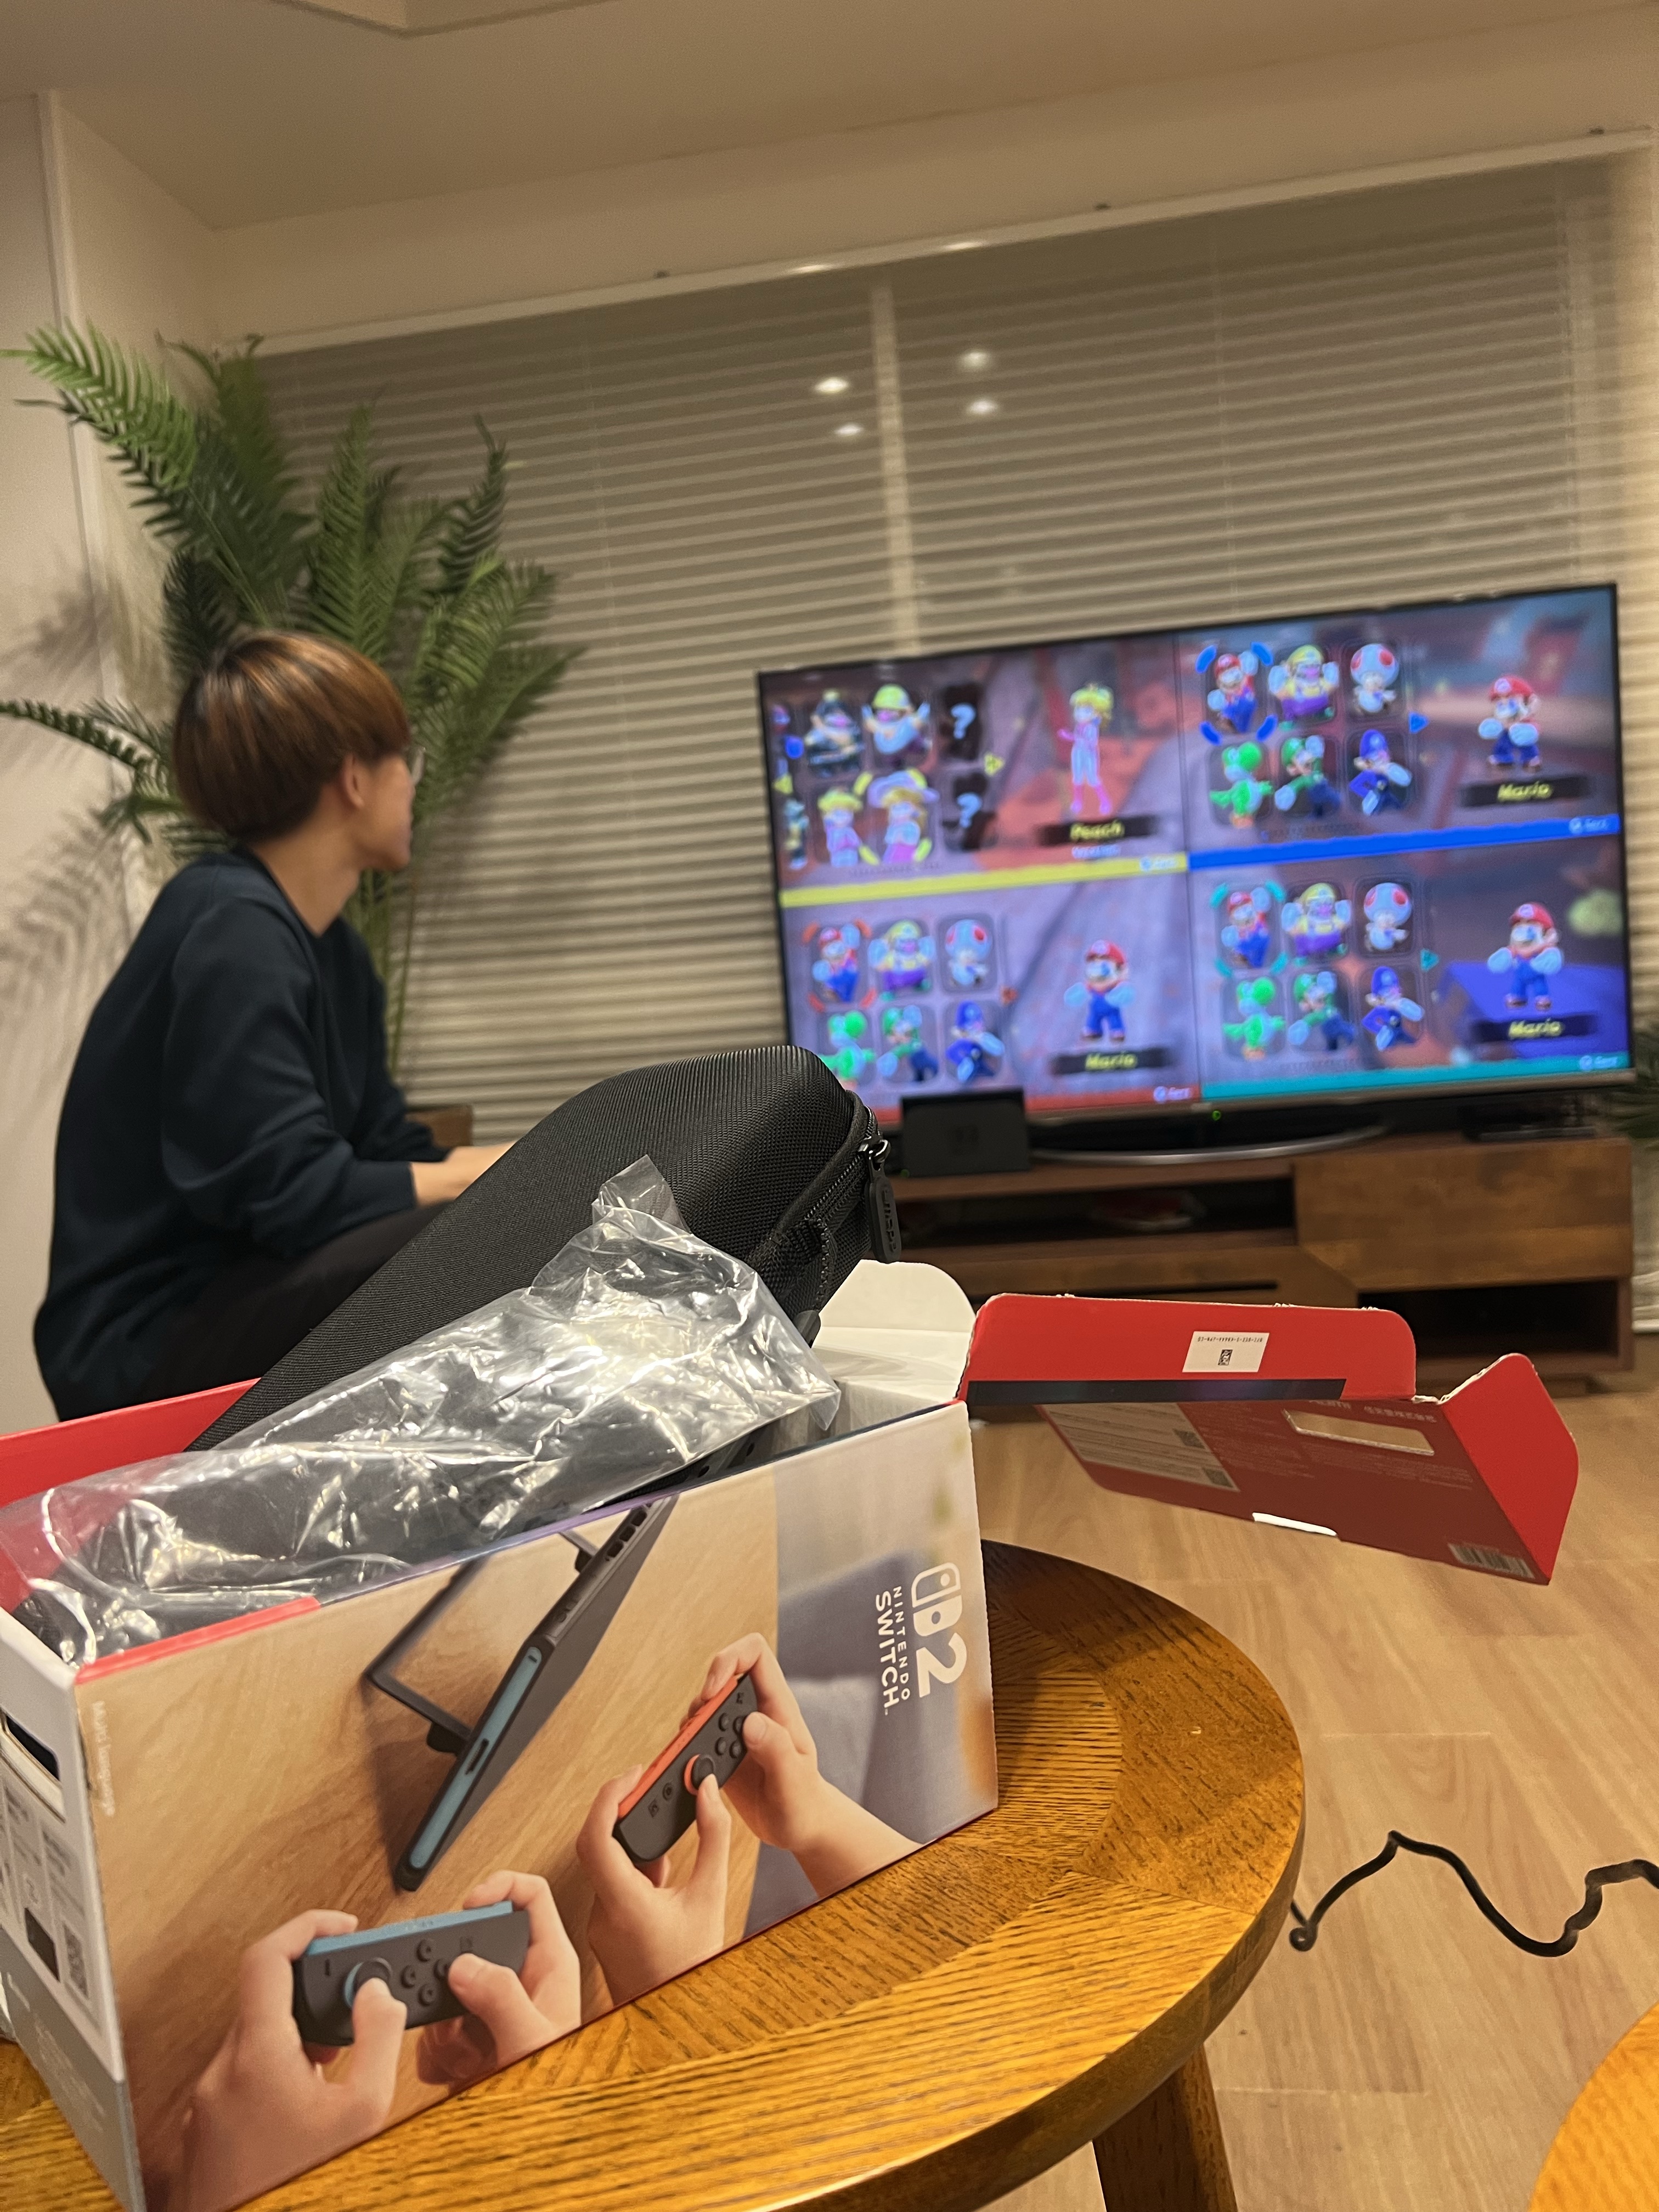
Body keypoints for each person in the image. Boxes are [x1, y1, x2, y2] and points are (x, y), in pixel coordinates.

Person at [35, 632, 509, 1420]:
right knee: (477, 1233)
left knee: (500, 1210)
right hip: (145, 1338)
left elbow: (382, 1146)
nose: (411, 786)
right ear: (354, 779)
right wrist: (494, 1178)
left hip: (241, 1280)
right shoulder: (233, 927)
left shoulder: (332, 947)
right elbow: (296, 1195)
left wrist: (533, 1161)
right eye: (406, 763)